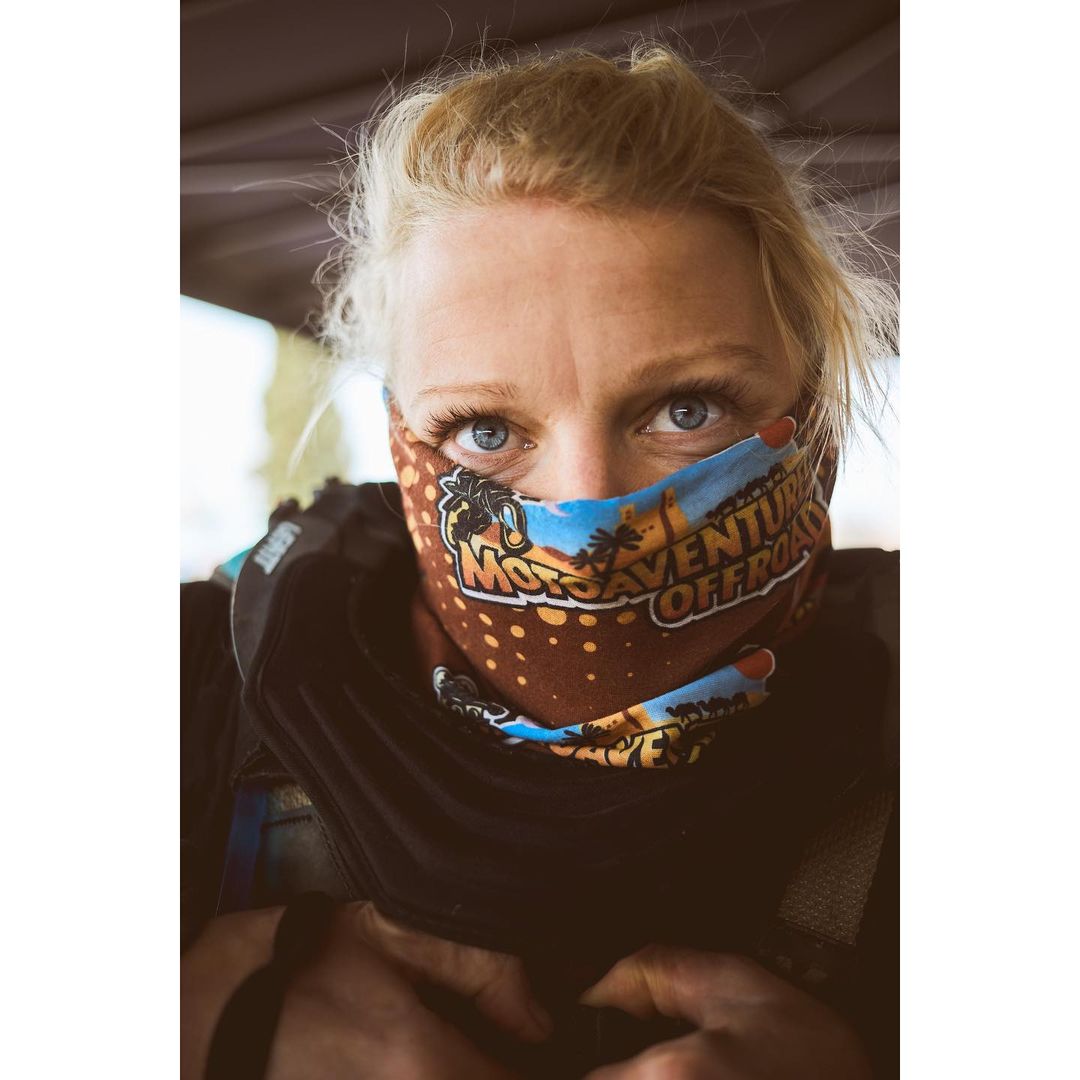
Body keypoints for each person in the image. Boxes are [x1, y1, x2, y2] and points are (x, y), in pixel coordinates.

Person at [181, 43, 899, 1079]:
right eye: (485, 431)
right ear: (401, 436)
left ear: (813, 416)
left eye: (685, 411)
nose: (588, 509)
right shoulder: (183, 699)